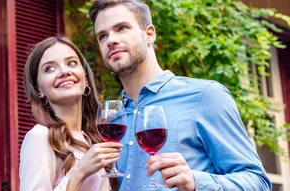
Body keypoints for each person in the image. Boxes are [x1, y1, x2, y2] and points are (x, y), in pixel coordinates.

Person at [88, 0, 272, 190]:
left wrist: (195, 181)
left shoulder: (205, 97)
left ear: (149, 34)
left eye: (122, 28)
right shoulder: (114, 121)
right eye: (102, 36)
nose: (110, 40)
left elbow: (257, 182)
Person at [19, 36, 122, 191]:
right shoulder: (40, 137)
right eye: (50, 68)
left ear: (86, 78)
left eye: (71, 63)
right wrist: (80, 172)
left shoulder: (97, 138)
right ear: (38, 89)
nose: (64, 71)